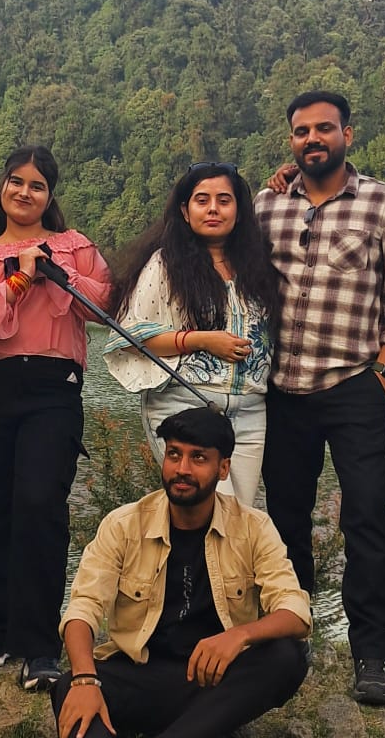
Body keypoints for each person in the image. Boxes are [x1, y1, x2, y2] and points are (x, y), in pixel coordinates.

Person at [0, 408, 310, 738]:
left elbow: (296, 611)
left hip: (211, 684)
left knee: (286, 655)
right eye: (174, 455)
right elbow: (82, 610)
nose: (182, 469)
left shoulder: (252, 527)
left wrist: (238, 636)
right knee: (72, 684)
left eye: (198, 458)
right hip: (142, 676)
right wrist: (87, 678)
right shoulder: (124, 524)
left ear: (223, 468)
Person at [254, 91, 385, 708]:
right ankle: (288, 645)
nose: (312, 139)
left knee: (368, 518)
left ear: (348, 134)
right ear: (291, 140)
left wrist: (384, 369)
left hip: (354, 383)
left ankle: (371, 655)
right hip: (281, 386)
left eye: (324, 128)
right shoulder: (266, 204)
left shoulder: (384, 204)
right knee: (284, 520)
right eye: (302, 131)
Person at [0, 146, 112, 692]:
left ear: (50, 195)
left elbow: (101, 307)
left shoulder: (76, 247)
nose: (24, 192)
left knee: (40, 505)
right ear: (3, 188)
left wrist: (55, 271)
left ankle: (40, 644)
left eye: (36, 185)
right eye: (15, 182)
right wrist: (16, 281)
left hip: (52, 389)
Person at [104, 163, 281, 508]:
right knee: (207, 511)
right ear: (185, 211)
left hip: (249, 413)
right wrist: (202, 339)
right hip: (184, 402)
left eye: (224, 200)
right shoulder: (165, 264)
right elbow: (134, 335)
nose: (213, 208)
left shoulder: (257, 268)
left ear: (240, 211)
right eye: (202, 200)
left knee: (237, 519)